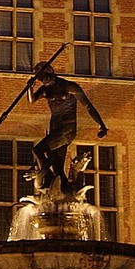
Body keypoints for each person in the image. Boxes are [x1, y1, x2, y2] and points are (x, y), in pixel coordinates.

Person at [26, 62, 107, 191]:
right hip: (54, 128)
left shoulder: (69, 86)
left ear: (50, 72)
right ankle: (62, 189)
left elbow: (88, 106)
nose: (44, 81)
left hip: (67, 129)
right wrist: (29, 87)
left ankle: (43, 173)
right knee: (58, 168)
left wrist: (101, 125)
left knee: (38, 150)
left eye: (45, 77)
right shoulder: (45, 89)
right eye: (41, 79)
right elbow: (32, 100)